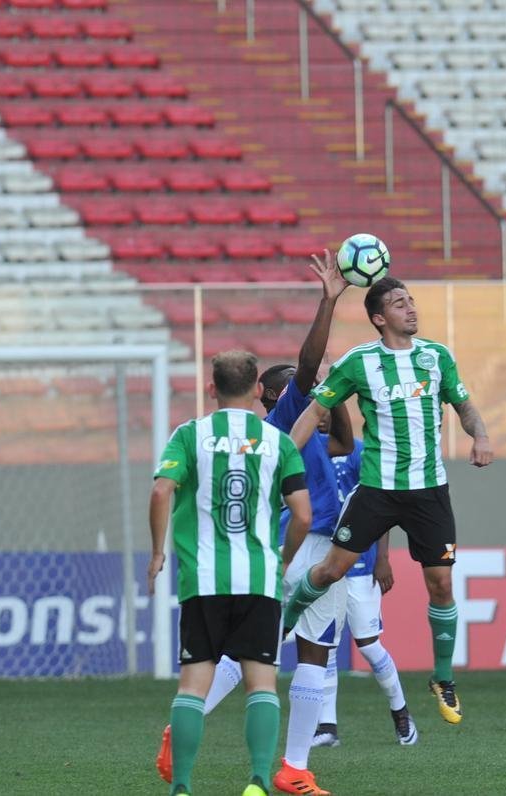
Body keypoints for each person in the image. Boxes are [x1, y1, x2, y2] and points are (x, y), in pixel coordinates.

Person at [156, 252, 353, 796]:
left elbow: (342, 439)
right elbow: (307, 367)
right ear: (268, 394)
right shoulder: (281, 419)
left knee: (261, 655)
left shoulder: (306, 422)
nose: (305, 385)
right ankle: (287, 769)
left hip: (293, 545)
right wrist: (328, 304)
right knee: (297, 656)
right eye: (293, 383)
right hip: (302, 544)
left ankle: (194, 728)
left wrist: (332, 388)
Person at [282, 276, 493, 726]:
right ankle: (286, 616)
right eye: (400, 304)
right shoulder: (359, 362)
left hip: (429, 491)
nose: (411, 309)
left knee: (440, 584)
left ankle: (442, 677)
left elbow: (464, 406)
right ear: (380, 318)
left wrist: (481, 435)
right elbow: (315, 411)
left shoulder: (437, 357)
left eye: (411, 301)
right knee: (331, 570)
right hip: (377, 489)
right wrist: (283, 458)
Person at [147, 349, 310, 796]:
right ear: (259, 390)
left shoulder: (190, 434)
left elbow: (162, 491)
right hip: (258, 578)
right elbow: (302, 514)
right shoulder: (278, 441)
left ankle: (181, 786)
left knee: (193, 686)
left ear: (212, 389)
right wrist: (283, 557)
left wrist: (158, 553)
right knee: (261, 683)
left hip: (202, 579)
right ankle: (258, 780)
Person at [312, 435, 417, 748]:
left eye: (326, 411)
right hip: (323, 561)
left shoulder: (356, 451)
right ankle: (326, 727)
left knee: (369, 646)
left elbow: (379, 505)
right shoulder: (308, 446)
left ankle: (400, 712)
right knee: (325, 644)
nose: (320, 417)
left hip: (359, 564)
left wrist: (382, 558)